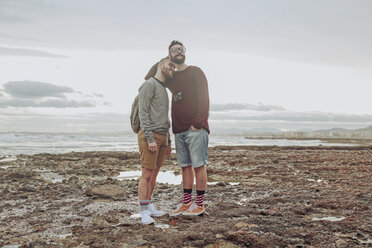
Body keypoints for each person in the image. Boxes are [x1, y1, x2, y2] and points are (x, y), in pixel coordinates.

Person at [145, 40, 210, 216]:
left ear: (185, 52)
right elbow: (149, 76)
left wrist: (198, 123)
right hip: (179, 130)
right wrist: (165, 61)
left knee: (198, 166)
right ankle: (186, 204)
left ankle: (199, 204)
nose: (178, 52)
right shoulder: (170, 76)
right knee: (185, 167)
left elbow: (204, 98)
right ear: (170, 54)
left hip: (195, 128)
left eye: (181, 49)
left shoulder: (195, 72)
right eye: (174, 50)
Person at [137, 58, 175, 224]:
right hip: (150, 135)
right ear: (161, 65)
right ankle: (143, 211)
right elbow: (142, 113)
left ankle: (149, 204)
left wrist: (169, 141)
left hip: (163, 136)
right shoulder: (149, 85)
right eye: (170, 65)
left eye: (173, 66)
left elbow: (164, 117)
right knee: (146, 174)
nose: (172, 68)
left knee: (154, 174)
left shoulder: (163, 88)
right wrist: (150, 138)